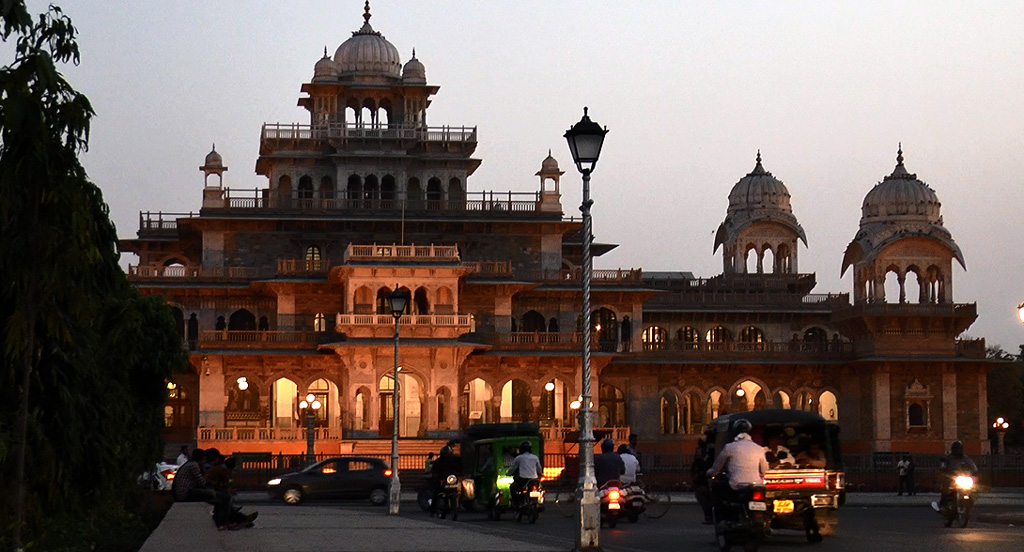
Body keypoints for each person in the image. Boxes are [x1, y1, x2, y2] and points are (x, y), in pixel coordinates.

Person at [707, 419, 769, 490]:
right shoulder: (758, 448)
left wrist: (710, 473)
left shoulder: (729, 447)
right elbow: (764, 470)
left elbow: (717, 467)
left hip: (735, 485)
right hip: (756, 484)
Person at [932, 441, 977, 513]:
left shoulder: (965, 458)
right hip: (952, 479)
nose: (958, 450)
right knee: (946, 490)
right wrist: (944, 470)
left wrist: (974, 472)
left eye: (959, 449)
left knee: (972, 490)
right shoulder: (948, 458)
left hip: (962, 477)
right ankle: (942, 505)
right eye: (956, 449)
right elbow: (942, 467)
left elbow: (973, 466)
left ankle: (969, 505)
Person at [506, 440, 543, 506]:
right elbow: (539, 469)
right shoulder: (535, 457)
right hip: (534, 479)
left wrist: (508, 473)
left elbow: (513, 468)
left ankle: (515, 503)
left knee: (513, 487)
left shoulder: (519, 458)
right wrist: (540, 473)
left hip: (523, 479)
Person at [429, 445, 460, 514]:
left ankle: (458, 505)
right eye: (445, 453)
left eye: (448, 453)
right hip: (442, 479)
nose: (446, 455)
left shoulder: (455, 460)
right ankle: (432, 509)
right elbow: (434, 470)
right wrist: (436, 475)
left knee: (461, 489)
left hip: (452, 479)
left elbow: (460, 467)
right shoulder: (438, 462)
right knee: (436, 493)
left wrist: (459, 473)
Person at [691, 436, 714, 524]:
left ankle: (709, 516)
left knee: (704, 496)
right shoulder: (708, 450)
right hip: (703, 476)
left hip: (705, 476)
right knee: (704, 496)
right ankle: (709, 516)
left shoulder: (708, 451)